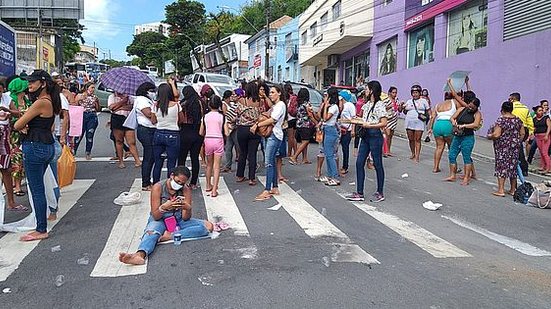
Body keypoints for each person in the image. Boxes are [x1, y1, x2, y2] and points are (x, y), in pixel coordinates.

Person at [119, 166, 213, 265]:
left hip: (178, 219)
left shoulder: (185, 189)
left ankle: (169, 236)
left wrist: (187, 208)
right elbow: (155, 215)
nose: (179, 185)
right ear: (172, 176)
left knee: (208, 227)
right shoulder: (158, 187)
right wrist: (164, 207)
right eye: (177, 181)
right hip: (161, 219)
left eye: (182, 183)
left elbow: (186, 218)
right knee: (152, 232)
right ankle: (140, 254)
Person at [14, 70, 61, 241]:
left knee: (37, 190)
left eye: (32, 82)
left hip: (35, 147)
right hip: (46, 146)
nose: (29, 85)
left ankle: (41, 228)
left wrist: (25, 123)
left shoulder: (41, 102)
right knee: (43, 186)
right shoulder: (51, 101)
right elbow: (46, 125)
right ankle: (47, 217)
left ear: (42, 83)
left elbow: (18, 125)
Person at [346, 80, 388, 203]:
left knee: (377, 164)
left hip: (375, 136)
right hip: (365, 136)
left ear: (372, 90)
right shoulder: (367, 104)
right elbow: (365, 118)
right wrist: (356, 120)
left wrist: (369, 125)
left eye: (367, 89)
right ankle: (359, 192)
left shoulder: (380, 105)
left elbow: (384, 123)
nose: (365, 91)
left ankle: (380, 192)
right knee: (359, 163)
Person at [253, 85, 287, 201]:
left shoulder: (281, 105)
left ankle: (267, 189)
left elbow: (273, 119)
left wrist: (257, 125)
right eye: (270, 92)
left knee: (268, 162)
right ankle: (275, 187)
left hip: (274, 136)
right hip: (273, 135)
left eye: (273, 92)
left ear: (279, 93)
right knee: (271, 161)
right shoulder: (277, 105)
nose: (271, 94)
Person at [487, 101, 523, 196]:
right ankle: (512, 190)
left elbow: (497, 134)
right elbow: (522, 133)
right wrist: (517, 141)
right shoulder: (517, 120)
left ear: (502, 109)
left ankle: (501, 190)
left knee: (501, 166)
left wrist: (490, 135)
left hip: (502, 146)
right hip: (514, 147)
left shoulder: (501, 120)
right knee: (512, 166)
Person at [445, 98, 482, 185]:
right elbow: (452, 117)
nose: (470, 109)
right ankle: (452, 175)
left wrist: (464, 126)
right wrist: (454, 122)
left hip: (467, 137)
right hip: (457, 136)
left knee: (466, 157)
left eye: (473, 108)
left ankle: (466, 177)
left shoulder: (477, 114)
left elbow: (476, 124)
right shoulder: (462, 109)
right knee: (451, 155)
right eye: (470, 106)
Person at [152, 83, 183, 184]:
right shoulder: (177, 105)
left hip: (158, 133)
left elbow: (153, 121)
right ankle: (171, 185)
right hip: (173, 134)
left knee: (158, 163)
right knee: (171, 163)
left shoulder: (155, 105)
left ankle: (156, 184)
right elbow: (181, 120)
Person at [234, 83, 264, 186]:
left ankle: (240, 175)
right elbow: (262, 115)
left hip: (242, 129)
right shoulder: (260, 102)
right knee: (252, 154)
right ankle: (252, 178)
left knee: (243, 152)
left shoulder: (242, 101)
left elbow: (236, 113)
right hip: (254, 129)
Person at [0, 81, 22, 211]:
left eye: (1, 90)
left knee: (7, 169)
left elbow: (17, 112)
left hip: (5, 136)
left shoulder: (6, 98)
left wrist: (7, 111)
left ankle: (11, 201)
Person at [7, 77, 31, 197]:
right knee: (16, 160)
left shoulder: (26, 100)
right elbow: (10, 118)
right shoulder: (12, 100)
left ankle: (17, 183)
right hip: (13, 136)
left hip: (25, 135)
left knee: (22, 160)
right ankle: (16, 186)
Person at [179, 86, 204, 189]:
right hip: (197, 132)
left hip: (185, 131)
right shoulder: (200, 103)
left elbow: (180, 120)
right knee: (195, 158)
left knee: (181, 159)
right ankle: (193, 182)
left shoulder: (183, 104)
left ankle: (181, 182)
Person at [108, 92, 142, 168]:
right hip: (117, 118)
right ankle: (121, 161)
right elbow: (111, 108)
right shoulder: (112, 97)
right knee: (119, 141)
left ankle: (137, 160)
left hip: (128, 118)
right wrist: (122, 102)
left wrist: (119, 107)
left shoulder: (130, 97)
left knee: (131, 142)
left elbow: (132, 107)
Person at [134, 82, 157, 191]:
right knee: (149, 156)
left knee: (151, 156)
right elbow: (148, 114)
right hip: (146, 130)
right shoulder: (141, 100)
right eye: (152, 91)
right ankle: (145, 183)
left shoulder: (147, 99)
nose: (153, 93)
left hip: (150, 129)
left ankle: (147, 180)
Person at [427, 92, 458, 173]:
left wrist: (430, 128)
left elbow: (433, 117)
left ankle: (435, 167)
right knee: (451, 148)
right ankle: (454, 168)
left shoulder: (438, 105)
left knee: (439, 147)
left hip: (438, 125)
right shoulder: (454, 102)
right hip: (448, 125)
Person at [201, 96, 225, 198]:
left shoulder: (205, 117)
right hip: (218, 140)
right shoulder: (222, 117)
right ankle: (214, 190)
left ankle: (207, 185)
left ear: (209, 104)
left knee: (209, 164)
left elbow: (201, 132)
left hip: (208, 140)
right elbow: (227, 132)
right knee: (216, 166)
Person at [402, 84, 430, 162]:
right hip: (409, 122)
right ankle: (413, 153)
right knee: (411, 139)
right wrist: (402, 107)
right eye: (413, 93)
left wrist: (430, 120)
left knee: (417, 139)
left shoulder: (424, 101)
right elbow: (404, 112)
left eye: (416, 92)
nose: (415, 94)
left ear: (419, 93)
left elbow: (428, 111)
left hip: (419, 122)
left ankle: (417, 156)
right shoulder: (409, 101)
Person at [289, 88, 316, 165]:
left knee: (304, 141)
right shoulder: (307, 104)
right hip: (306, 125)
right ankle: (294, 156)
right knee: (306, 141)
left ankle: (305, 158)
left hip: (299, 124)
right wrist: (316, 123)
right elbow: (310, 115)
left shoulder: (298, 103)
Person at [509, 92, 534, 177]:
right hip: (525, 129)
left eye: (510, 99)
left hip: (514, 129)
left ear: (513, 99)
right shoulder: (525, 108)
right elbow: (530, 120)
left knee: (516, 149)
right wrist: (531, 131)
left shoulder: (511, 107)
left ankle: (521, 167)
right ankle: (522, 168)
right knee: (518, 147)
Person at [73, 82, 100, 160]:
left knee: (89, 135)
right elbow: (74, 106)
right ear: (87, 88)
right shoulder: (79, 96)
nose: (93, 90)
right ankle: (74, 151)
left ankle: (88, 152)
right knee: (78, 135)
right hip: (82, 115)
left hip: (92, 116)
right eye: (92, 87)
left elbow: (98, 109)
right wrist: (78, 101)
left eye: (94, 88)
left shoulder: (95, 97)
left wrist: (96, 103)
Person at [321, 88, 341, 186]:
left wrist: (325, 106)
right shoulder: (332, 106)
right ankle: (330, 175)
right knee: (327, 154)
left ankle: (335, 177)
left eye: (326, 95)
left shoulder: (333, 107)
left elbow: (325, 118)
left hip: (330, 130)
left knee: (330, 155)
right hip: (327, 129)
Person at [221, 90, 239, 173]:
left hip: (234, 127)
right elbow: (226, 114)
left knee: (238, 147)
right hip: (229, 127)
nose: (233, 97)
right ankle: (228, 166)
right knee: (228, 147)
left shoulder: (233, 104)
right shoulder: (224, 104)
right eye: (232, 95)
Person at [338, 90, 356, 175]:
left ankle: (345, 166)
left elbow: (353, 118)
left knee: (345, 149)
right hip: (339, 129)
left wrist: (353, 130)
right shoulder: (340, 105)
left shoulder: (350, 105)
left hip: (347, 130)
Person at [531, 105, 551, 174]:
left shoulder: (546, 118)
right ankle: (543, 166)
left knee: (544, 152)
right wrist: (532, 134)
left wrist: (547, 135)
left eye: (542, 110)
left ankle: (548, 167)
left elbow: (549, 127)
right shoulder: (534, 119)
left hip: (545, 136)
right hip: (538, 136)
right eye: (539, 110)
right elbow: (534, 128)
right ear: (536, 112)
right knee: (541, 152)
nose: (541, 112)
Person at [384, 86, 399, 156]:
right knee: (387, 135)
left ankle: (388, 150)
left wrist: (401, 106)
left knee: (390, 136)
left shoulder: (396, 100)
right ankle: (384, 151)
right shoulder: (386, 100)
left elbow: (399, 110)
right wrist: (388, 107)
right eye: (393, 92)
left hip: (394, 120)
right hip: (388, 120)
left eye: (395, 92)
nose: (395, 94)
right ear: (390, 93)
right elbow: (382, 108)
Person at [284, 83, 297, 158]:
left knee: (290, 137)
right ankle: (295, 152)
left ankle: (289, 153)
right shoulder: (294, 96)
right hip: (294, 118)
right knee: (293, 137)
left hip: (289, 118)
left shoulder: (286, 98)